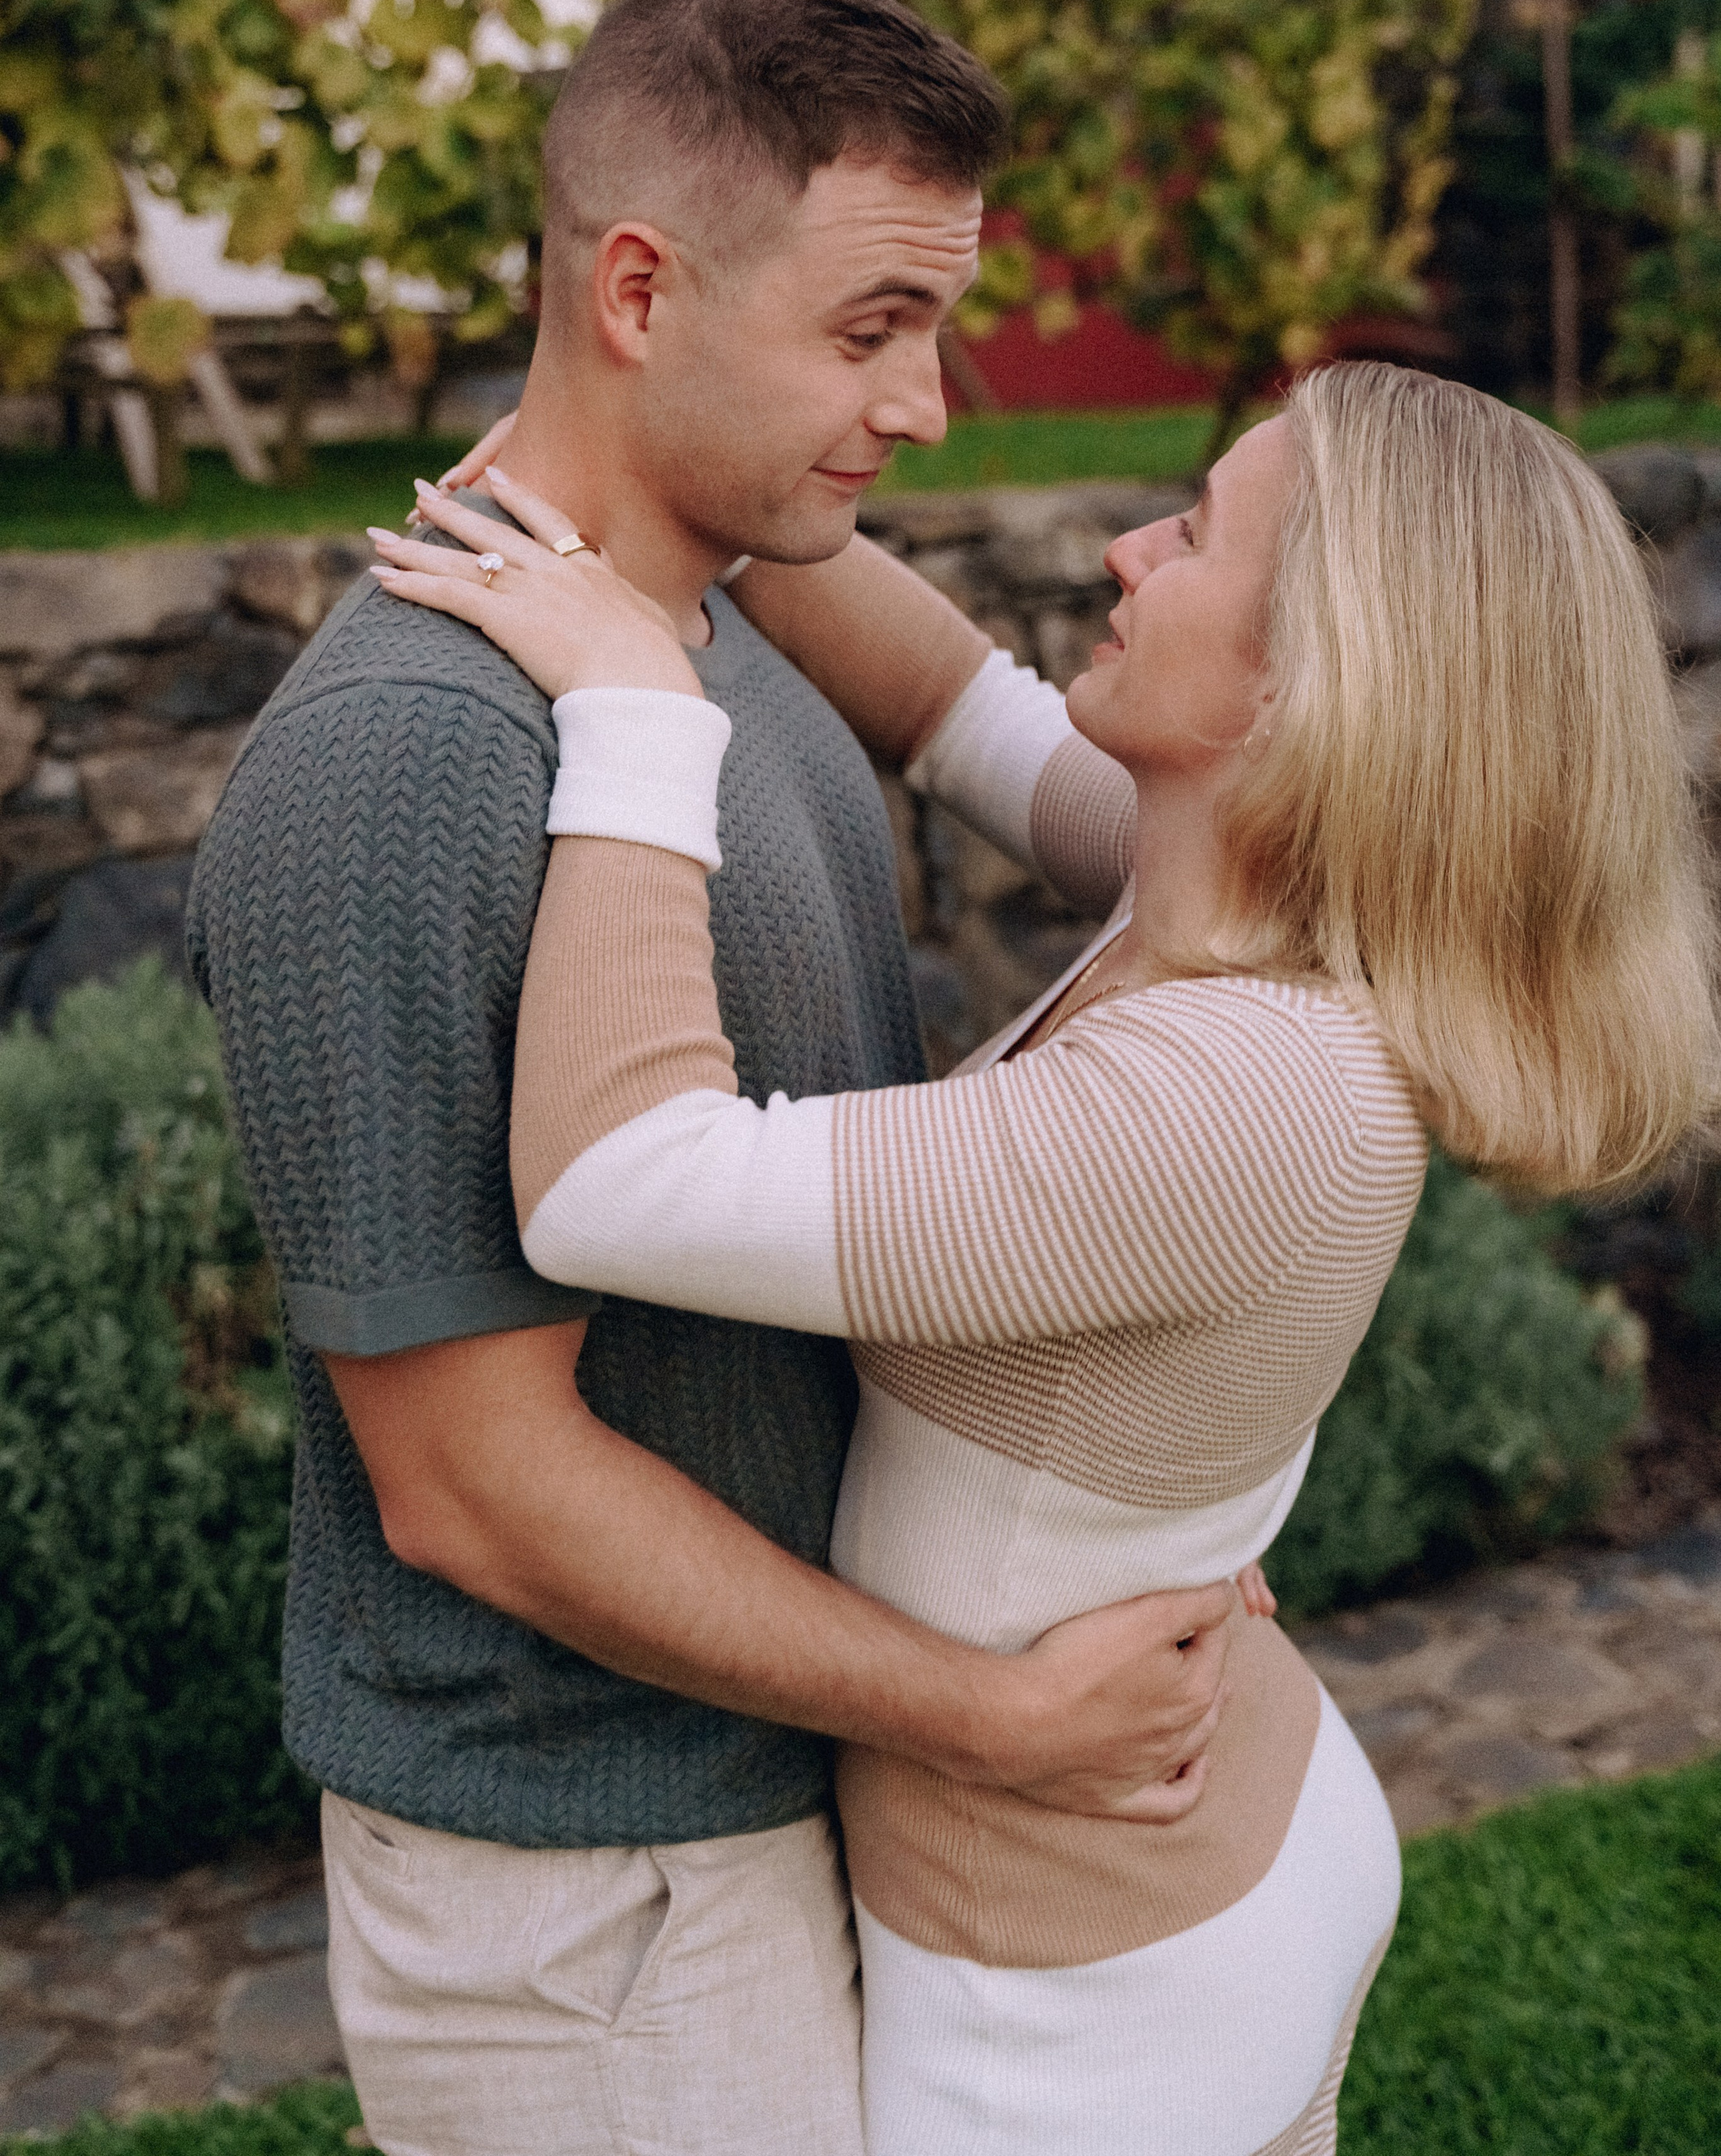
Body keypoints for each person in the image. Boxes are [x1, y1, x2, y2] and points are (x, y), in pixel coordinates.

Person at [372, 356, 1718, 2156]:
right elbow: (947, 701)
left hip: (1084, 2011)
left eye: (1197, 538)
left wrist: (633, 704)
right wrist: (674, 452)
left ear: (1316, 679)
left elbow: (615, 1182)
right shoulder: (1243, 907)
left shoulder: (1247, 1090)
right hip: (1204, 1841)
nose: (1121, 550)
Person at [186, 0, 1248, 2156]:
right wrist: (990, 1715)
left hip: (763, 1798)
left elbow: (1011, 743)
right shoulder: (409, 762)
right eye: (874, 330)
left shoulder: (710, 625)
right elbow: (471, 1485)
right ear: (642, 294)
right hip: (600, 1898)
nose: (937, 403)